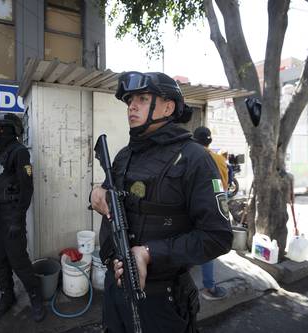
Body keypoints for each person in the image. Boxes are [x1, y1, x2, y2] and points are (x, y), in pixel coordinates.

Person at [90, 71, 233, 332]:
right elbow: (112, 195)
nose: (132, 106)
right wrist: (96, 193)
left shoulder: (194, 158)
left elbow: (218, 236)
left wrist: (148, 253)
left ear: (168, 107)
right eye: (130, 100)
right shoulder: (124, 155)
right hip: (115, 290)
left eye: (143, 99)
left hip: (161, 299)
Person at [0, 113, 45, 322]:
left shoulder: (19, 153)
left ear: (10, 130)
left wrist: (17, 220)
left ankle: (36, 298)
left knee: (19, 261)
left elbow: (27, 188)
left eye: (0, 128)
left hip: (12, 216)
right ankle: (6, 296)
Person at [192, 126, 228, 301]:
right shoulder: (219, 159)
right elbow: (224, 187)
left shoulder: (187, 156)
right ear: (209, 141)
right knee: (208, 246)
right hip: (212, 207)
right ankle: (209, 287)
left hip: (188, 207)